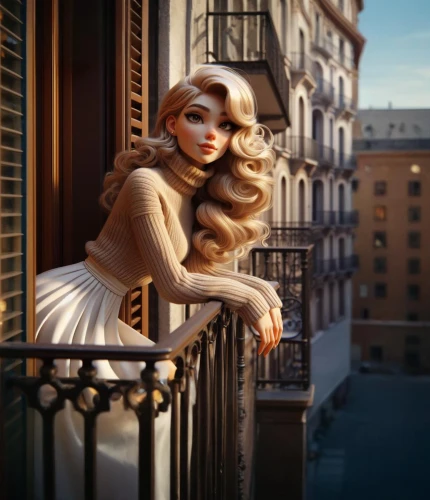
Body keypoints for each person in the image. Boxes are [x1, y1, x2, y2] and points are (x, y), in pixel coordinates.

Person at [35, 65, 283, 499]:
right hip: (73, 304)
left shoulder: (192, 197)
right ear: (171, 122)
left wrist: (262, 290)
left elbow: (198, 274)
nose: (211, 133)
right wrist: (251, 294)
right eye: (197, 117)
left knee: (154, 405)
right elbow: (173, 285)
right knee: (99, 427)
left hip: (103, 311)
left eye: (225, 125)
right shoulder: (145, 183)